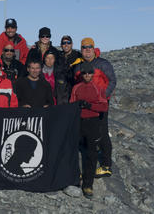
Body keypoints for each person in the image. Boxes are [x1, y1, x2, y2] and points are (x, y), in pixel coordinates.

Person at [71, 37, 116, 179]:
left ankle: (106, 165)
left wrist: (104, 98)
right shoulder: (78, 67)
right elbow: (76, 84)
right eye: (84, 48)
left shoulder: (103, 64)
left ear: (94, 48)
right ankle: (86, 162)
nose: (87, 50)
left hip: (99, 105)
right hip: (84, 107)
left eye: (89, 47)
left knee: (102, 131)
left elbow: (112, 81)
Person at [69, 62, 108, 198]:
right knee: (73, 151)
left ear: (93, 74)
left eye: (89, 73)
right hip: (79, 122)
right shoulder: (76, 88)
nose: (87, 75)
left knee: (91, 154)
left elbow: (104, 107)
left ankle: (88, 185)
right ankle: (74, 180)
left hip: (93, 123)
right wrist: (76, 108)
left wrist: (89, 105)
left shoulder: (98, 88)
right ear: (81, 74)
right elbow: (71, 105)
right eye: (84, 73)